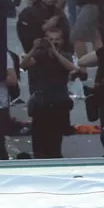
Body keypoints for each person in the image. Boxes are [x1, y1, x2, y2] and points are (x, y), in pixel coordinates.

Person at [19, 26, 77, 159]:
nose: (54, 42)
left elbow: (71, 67)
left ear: (62, 41)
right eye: (51, 39)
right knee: (39, 140)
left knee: (55, 141)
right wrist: (34, 48)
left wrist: (55, 52)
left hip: (58, 102)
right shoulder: (40, 55)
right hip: (41, 102)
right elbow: (23, 64)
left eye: (57, 39)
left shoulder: (65, 55)